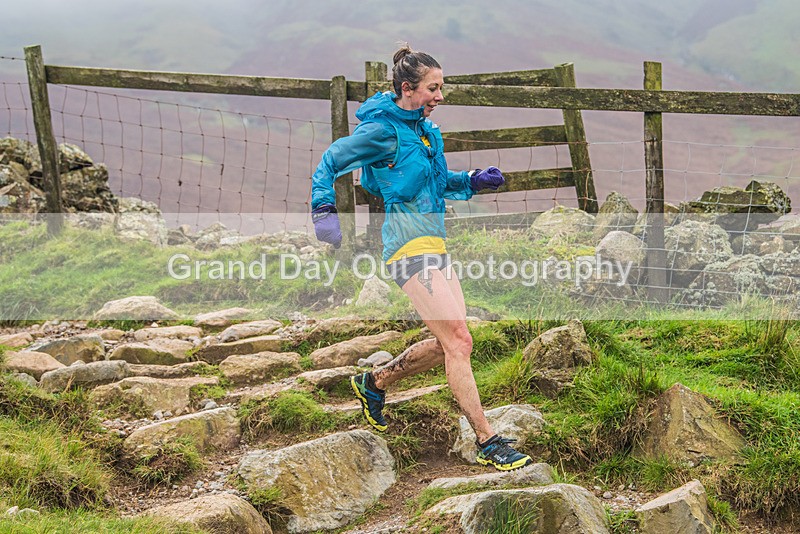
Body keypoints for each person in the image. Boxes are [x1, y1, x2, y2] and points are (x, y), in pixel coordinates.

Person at [310, 45, 532, 471]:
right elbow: (330, 161)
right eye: (433, 88)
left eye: (441, 88)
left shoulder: (427, 132)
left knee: (450, 341)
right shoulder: (383, 132)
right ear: (408, 88)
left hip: (436, 243)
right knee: (460, 342)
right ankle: (487, 441)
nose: (440, 96)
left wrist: (471, 181)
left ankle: (374, 382)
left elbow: (435, 181)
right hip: (406, 248)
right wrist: (323, 209)